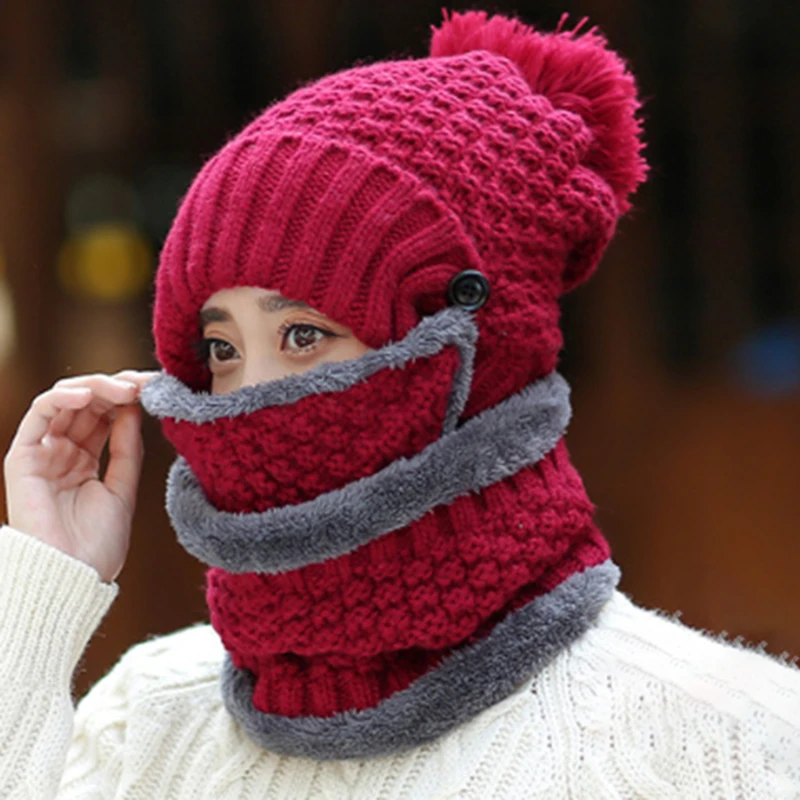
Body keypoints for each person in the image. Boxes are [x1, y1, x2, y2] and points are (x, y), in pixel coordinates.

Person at [1, 9, 799, 799]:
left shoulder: (722, 743)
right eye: (222, 349)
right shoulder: (144, 722)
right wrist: (42, 596)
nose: (250, 398)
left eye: (304, 335)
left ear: (478, 356)